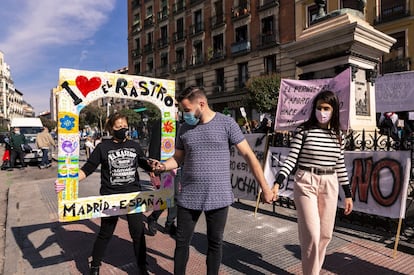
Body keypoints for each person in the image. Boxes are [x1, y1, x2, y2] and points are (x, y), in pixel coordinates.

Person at [152, 86, 277, 275]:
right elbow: (178, 158)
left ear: (201, 104)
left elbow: (249, 156)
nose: (184, 114)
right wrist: (162, 166)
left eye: (186, 110)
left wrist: (265, 188)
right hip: (189, 195)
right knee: (181, 241)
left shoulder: (227, 123)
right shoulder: (185, 128)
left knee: (215, 243)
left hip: (218, 195)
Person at [55, 113, 153, 275]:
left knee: (138, 233)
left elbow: (145, 164)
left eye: (124, 126)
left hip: (133, 196)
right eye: (118, 126)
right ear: (111, 129)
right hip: (110, 197)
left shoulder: (134, 145)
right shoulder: (103, 147)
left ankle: (142, 265)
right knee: (105, 233)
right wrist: (67, 181)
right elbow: (86, 169)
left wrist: (158, 167)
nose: (122, 129)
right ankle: (95, 265)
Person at [273, 90, 353, 275]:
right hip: (306, 182)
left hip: (330, 184)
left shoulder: (339, 135)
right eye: (319, 107)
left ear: (333, 110)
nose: (322, 111)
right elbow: (292, 159)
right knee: (312, 235)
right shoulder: (303, 130)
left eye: (326, 108)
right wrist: (278, 182)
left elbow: (340, 165)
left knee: (325, 235)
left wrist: (347, 194)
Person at [146, 118, 179, 237]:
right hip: (164, 166)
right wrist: (152, 167)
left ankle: (170, 224)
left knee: (175, 196)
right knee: (166, 196)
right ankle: (153, 218)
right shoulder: (160, 124)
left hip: (178, 165)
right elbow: (153, 145)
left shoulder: (180, 124)